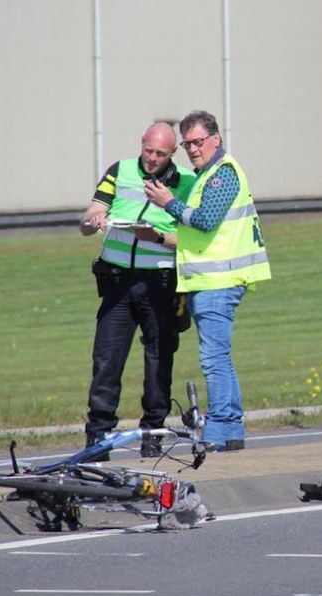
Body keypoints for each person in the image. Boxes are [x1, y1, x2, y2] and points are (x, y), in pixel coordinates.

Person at [144, 110, 271, 451]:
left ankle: (219, 429)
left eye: (198, 142)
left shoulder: (221, 175)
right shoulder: (207, 174)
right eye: (187, 144)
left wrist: (169, 203)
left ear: (215, 138)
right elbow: (199, 231)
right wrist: (158, 236)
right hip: (211, 280)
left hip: (220, 281)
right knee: (220, 356)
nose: (193, 149)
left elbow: (204, 220)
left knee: (213, 358)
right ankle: (229, 428)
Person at [79, 122, 196, 458]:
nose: (152, 158)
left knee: (158, 360)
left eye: (161, 154)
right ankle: (98, 436)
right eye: (148, 151)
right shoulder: (120, 170)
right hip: (117, 281)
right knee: (106, 359)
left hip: (159, 282)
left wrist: (157, 237)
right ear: (141, 144)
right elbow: (90, 218)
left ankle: (153, 433)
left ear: (173, 153)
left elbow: (192, 239)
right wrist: (93, 221)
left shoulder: (187, 182)